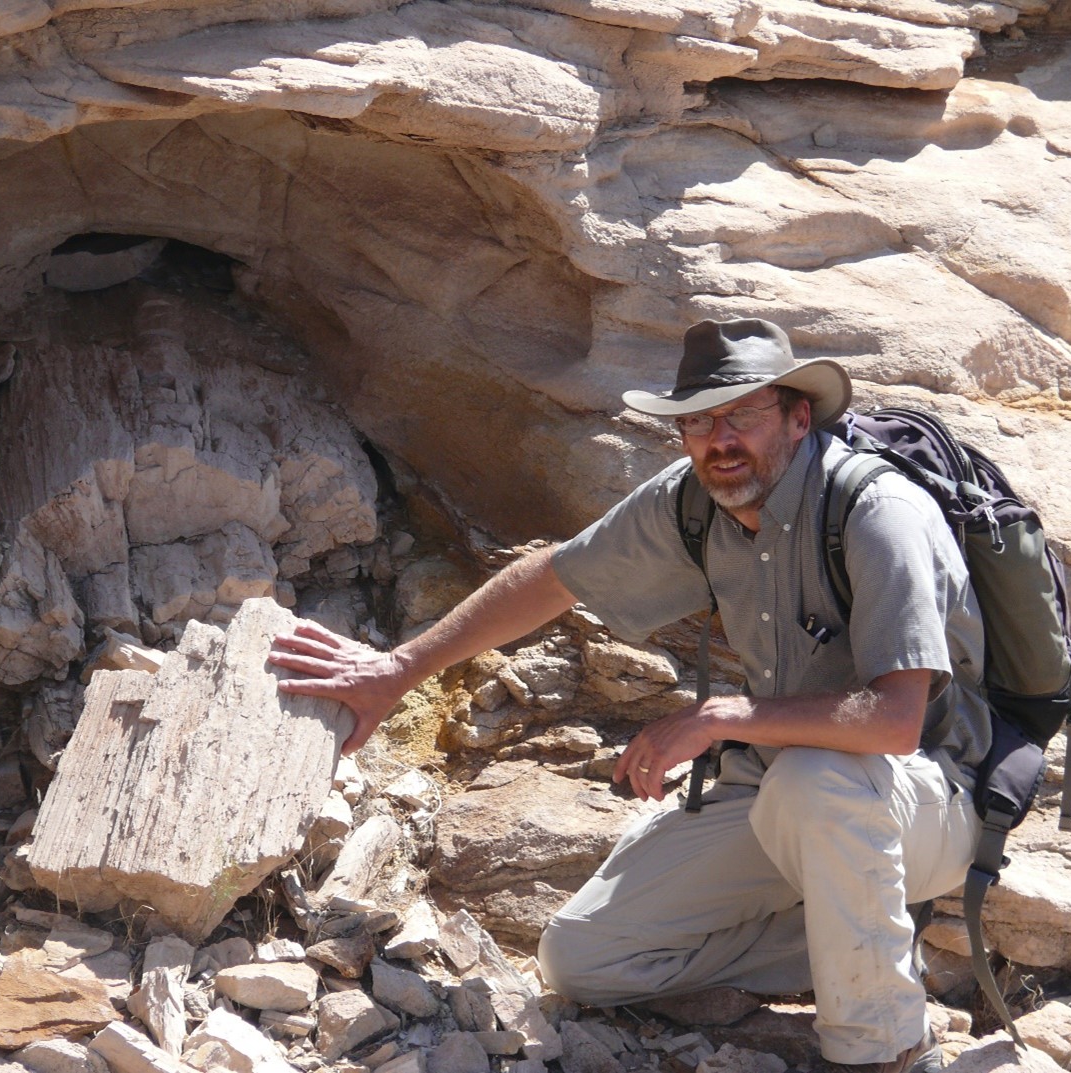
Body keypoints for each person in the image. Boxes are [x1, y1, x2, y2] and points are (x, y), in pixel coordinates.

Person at [268, 318, 989, 1073]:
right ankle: (856, 934)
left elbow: (898, 720)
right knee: (585, 956)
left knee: (818, 781)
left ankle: (886, 1046)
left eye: (742, 413)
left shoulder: (878, 515)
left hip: (932, 794)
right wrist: (397, 668)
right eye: (700, 420)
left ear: (798, 416)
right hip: (782, 787)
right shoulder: (693, 505)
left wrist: (724, 716)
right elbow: (551, 577)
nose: (720, 438)